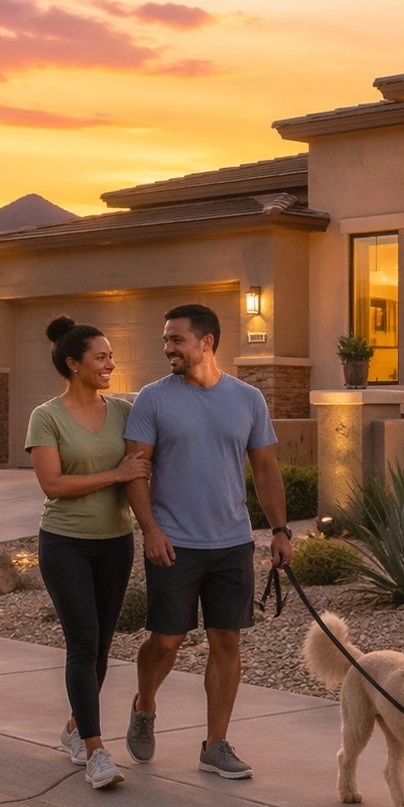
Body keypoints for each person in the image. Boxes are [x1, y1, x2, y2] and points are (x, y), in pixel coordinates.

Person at [121, 302, 292, 780]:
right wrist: (150, 530)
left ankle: (215, 744)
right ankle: (145, 704)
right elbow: (136, 470)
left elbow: (265, 469)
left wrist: (279, 530)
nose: (167, 348)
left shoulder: (248, 399)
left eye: (176, 339)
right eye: (165, 339)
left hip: (232, 542)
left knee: (226, 639)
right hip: (173, 542)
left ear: (206, 342)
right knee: (167, 640)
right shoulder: (152, 399)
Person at [26, 316, 150, 790]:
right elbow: (53, 485)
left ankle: (75, 728)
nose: (110, 364)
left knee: (100, 645)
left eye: (110, 356)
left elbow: (142, 463)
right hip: (65, 543)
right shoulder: (47, 416)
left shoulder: (122, 411)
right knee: (82, 642)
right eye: (101, 357)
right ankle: (96, 750)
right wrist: (116, 475)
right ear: (73, 363)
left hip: (114, 543)